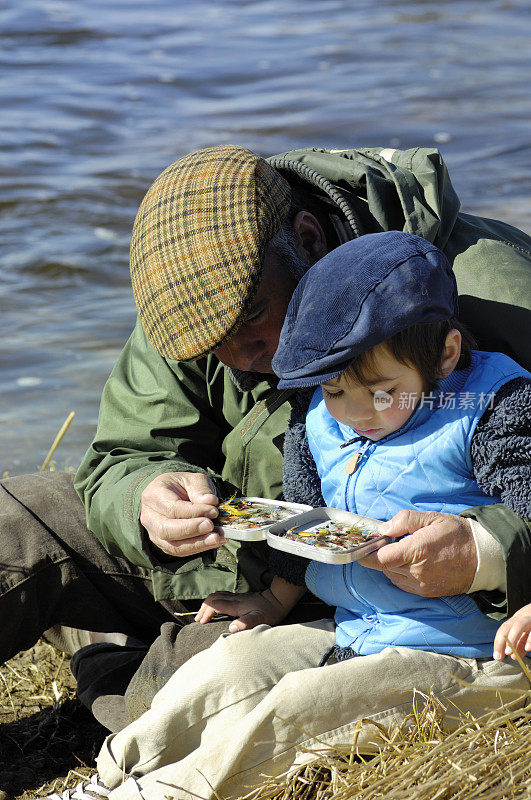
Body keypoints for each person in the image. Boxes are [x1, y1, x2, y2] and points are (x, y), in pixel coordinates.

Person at [2, 144, 530, 740]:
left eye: (253, 316)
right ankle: (116, 638)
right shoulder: (198, 302)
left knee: (185, 700)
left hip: (358, 603)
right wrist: (145, 497)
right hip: (213, 559)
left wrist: (490, 548)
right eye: (211, 346)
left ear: (307, 239)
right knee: (9, 528)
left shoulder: (491, 285)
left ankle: (108, 651)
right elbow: (119, 456)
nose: (240, 357)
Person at [80, 231, 531, 800]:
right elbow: (307, 528)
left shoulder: (492, 407)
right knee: (224, 669)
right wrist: (273, 600)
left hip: (476, 653)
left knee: (298, 709)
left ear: (445, 353)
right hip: (358, 630)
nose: (359, 415)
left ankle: (165, 793)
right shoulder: (319, 414)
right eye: (339, 391)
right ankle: (110, 777)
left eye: (384, 392)